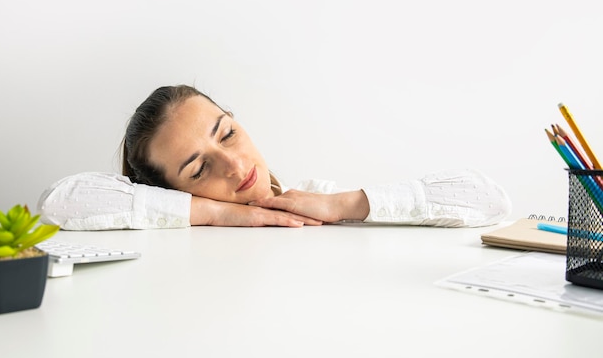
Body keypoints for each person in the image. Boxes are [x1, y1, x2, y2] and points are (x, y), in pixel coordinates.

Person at [37, 85, 511, 230]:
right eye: (198, 169)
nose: (232, 165)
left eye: (227, 133)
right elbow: (56, 202)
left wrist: (346, 205)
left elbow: (491, 200)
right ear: (171, 194)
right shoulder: (175, 223)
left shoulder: (318, 200)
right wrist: (217, 214)